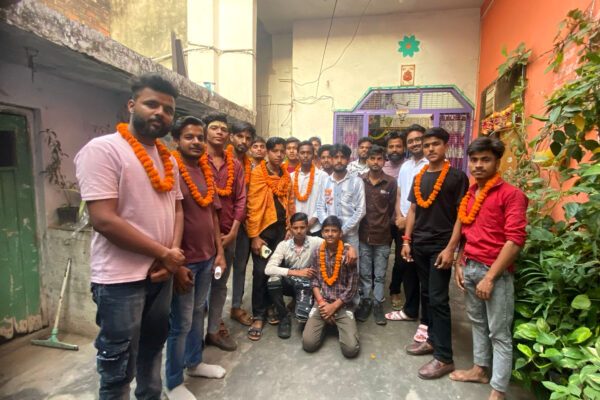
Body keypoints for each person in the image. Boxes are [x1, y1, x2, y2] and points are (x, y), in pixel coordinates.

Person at [74, 73, 185, 399]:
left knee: (153, 351)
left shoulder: (168, 159)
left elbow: (177, 209)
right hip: (120, 282)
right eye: (152, 104)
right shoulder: (103, 150)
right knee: (118, 369)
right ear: (132, 105)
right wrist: (164, 254)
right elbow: (104, 220)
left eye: (168, 109)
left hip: (161, 276)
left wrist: (172, 255)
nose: (160, 113)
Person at [450, 137, 527, 400]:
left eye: (485, 160)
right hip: (470, 267)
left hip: (494, 273)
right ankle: (479, 370)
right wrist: (460, 263)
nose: (479, 165)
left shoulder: (511, 195)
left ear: (497, 162)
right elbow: (467, 232)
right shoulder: (471, 193)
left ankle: (498, 390)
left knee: (499, 333)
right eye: (474, 160)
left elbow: (515, 240)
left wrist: (491, 277)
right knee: (477, 323)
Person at [166, 116, 227, 400]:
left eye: (199, 137)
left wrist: (219, 252)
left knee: (197, 312)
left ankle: (194, 363)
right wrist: (175, 264)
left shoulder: (204, 170)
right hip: (183, 261)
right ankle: (173, 382)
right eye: (189, 137)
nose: (196, 142)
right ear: (175, 140)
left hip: (207, 257)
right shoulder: (170, 169)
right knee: (180, 322)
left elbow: (212, 215)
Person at [401, 127, 468, 380]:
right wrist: (407, 241)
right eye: (426, 145)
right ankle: (430, 340)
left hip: (441, 246)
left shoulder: (456, 177)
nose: (430, 149)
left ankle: (444, 357)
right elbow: (413, 211)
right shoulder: (419, 177)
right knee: (427, 294)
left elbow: (461, 215)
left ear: (445, 146)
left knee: (439, 299)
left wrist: (451, 249)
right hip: (419, 244)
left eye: (435, 144)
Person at [264, 212, 357, 338]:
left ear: (307, 227)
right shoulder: (283, 245)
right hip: (289, 282)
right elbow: (268, 269)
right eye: (295, 228)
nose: (299, 231)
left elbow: (333, 240)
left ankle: (301, 305)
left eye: (302, 227)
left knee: (302, 318)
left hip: (306, 284)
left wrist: (350, 248)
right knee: (273, 281)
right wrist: (296, 272)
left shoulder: (315, 241)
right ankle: (284, 317)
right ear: (290, 228)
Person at [203, 112, 247, 352]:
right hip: (200, 236)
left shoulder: (235, 166)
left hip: (228, 234)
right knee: (197, 286)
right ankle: (192, 337)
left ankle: (214, 329)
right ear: (205, 132)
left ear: (228, 135)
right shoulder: (196, 160)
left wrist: (233, 233)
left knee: (220, 283)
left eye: (223, 128)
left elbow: (241, 199)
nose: (219, 131)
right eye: (214, 127)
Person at [246, 137, 295, 341]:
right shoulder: (258, 173)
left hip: (282, 231)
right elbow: (252, 206)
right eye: (275, 151)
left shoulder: (285, 175)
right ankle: (258, 314)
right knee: (260, 272)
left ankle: (272, 307)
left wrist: (290, 227)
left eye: (282, 151)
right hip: (263, 231)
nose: (279, 154)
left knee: (276, 271)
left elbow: (290, 202)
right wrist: (254, 236)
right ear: (267, 152)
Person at [387, 125, 427, 340]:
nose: (414, 144)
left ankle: (427, 320)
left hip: (422, 226)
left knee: (424, 272)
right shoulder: (405, 166)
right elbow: (400, 194)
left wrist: (408, 220)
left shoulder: (431, 165)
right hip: (402, 223)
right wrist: (399, 217)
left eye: (418, 139)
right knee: (406, 266)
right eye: (411, 141)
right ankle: (411, 310)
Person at [302, 216, 360, 358]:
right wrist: (322, 304)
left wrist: (333, 307)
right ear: (322, 233)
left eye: (334, 231)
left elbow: (352, 287)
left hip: (342, 305)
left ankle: (337, 323)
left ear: (341, 233)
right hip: (322, 303)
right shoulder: (317, 253)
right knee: (308, 344)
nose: (330, 234)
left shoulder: (348, 255)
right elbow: (314, 281)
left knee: (351, 350)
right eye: (326, 231)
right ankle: (326, 324)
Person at [356, 145, 397, 325]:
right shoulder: (359, 180)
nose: (375, 162)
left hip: (383, 235)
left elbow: (392, 208)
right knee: (365, 273)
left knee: (379, 274)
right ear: (367, 160)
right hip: (363, 235)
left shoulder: (390, 182)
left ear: (384, 161)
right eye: (372, 158)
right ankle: (366, 301)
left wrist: (384, 223)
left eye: (379, 158)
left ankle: (378, 303)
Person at [316, 143, 366, 277]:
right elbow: (320, 207)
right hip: (330, 235)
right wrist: (329, 229)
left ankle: (353, 292)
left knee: (351, 268)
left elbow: (361, 210)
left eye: (342, 157)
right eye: (335, 157)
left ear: (348, 160)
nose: (339, 160)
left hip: (350, 234)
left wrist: (343, 230)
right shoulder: (326, 182)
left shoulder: (357, 182)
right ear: (331, 159)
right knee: (330, 268)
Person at [229, 121, 256, 327]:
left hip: (245, 224)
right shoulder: (221, 161)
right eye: (240, 136)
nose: (243, 141)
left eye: (248, 138)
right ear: (231, 137)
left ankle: (236, 306)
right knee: (216, 269)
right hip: (223, 225)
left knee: (240, 267)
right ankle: (211, 311)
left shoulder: (252, 167)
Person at [290, 141, 328, 237]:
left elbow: (324, 202)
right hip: (295, 228)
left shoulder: (322, 176)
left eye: (309, 153)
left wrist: (311, 223)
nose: (305, 156)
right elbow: (289, 202)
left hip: (315, 227)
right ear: (297, 155)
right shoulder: (291, 176)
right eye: (302, 153)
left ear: (313, 155)